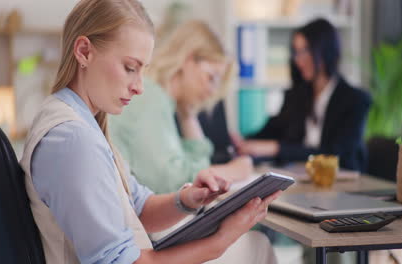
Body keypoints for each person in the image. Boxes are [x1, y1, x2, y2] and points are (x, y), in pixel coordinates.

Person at [20, 0, 280, 263]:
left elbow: (139, 205)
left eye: (142, 71)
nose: (139, 87)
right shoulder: (74, 140)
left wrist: (187, 199)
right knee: (256, 246)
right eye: (130, 68)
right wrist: (223, 239)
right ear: (84, 51)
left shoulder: (82, 123)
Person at [110, 20, 253, 194]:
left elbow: (188, 166)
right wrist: (232, 172)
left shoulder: (163, 99)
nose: (212, 90)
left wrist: (187, 115)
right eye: (211, 77)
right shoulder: (149, 96)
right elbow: (169, 183)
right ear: (189, 59)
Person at [232, 18, 372, 172]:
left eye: (305, 51)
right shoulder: (297, 95)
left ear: (325, 50)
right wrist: (243, 142)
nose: (299, 60)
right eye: (296, 52)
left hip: (342, 182)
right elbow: (274, 128)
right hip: (300, 178)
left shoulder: (355, 100)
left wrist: (277, 148)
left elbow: (336, 154)